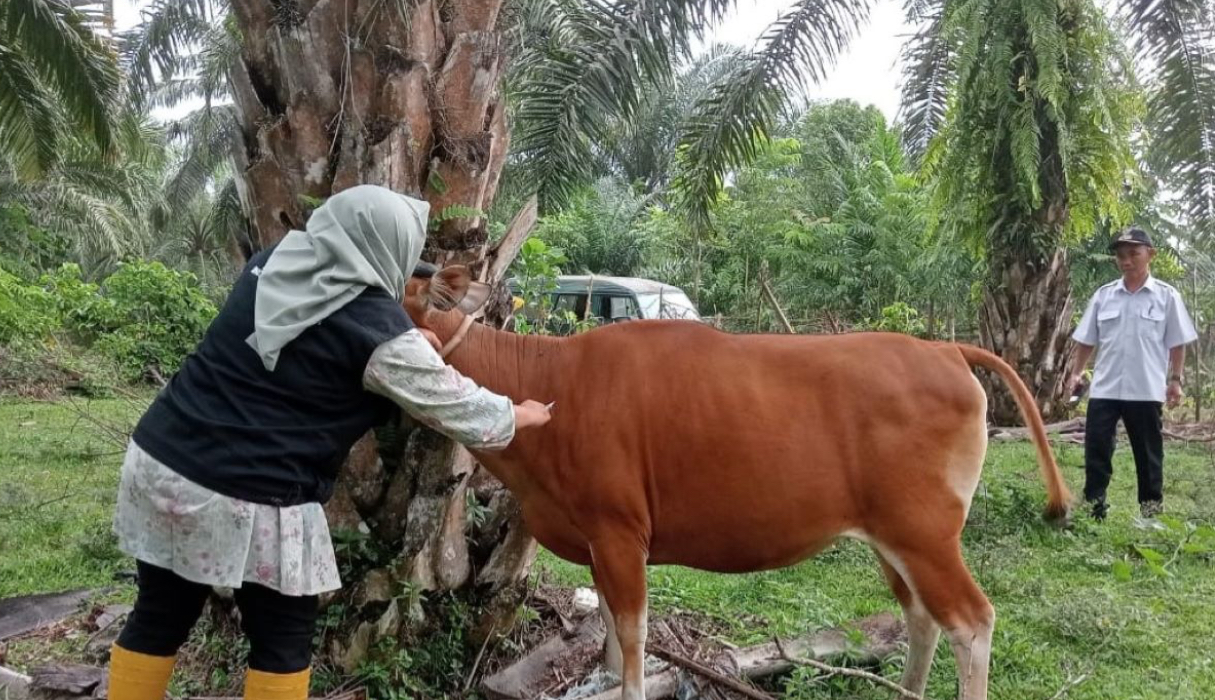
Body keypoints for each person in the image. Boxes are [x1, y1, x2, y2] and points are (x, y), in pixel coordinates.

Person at [105, 185, 552, 700]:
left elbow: (309, 344)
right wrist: (520, 412)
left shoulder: (278, 260)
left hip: (163, 459)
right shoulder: (376, 330)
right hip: (249, 492)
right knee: (282, 642)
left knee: (159, 617)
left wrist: (408, 339)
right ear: (387, 252)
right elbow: (459, 410)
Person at [1067, 225, 1198, 520]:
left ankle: (1150, 514)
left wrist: (1175, 380)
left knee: (1148, 454)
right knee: (1097, 451)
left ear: (1149, 254)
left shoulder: (1166, 297)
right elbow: (1087, 339)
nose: (1126, 260)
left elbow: (1177, 343)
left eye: (1133, 254)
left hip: (1146, 389)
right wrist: (1076, 374)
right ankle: (1094, 508)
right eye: (1121, 255)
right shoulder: (1104, 297)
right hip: (1105, 388)